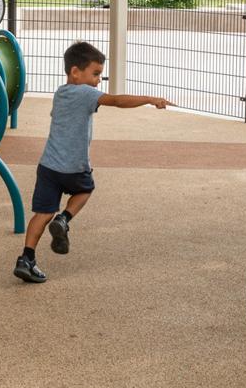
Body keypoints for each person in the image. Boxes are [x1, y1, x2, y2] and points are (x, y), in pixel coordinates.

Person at [15, 41, 169, 284]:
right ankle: (64, 219)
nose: (98, 81)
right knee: (85, 189)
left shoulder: (61, 92)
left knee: (41, 213)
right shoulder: (85, 93)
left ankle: (26, 258)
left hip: (48, 167)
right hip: (74, 167)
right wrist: (150, 99)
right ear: (75, 72)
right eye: (96, 74)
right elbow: (116, 101)